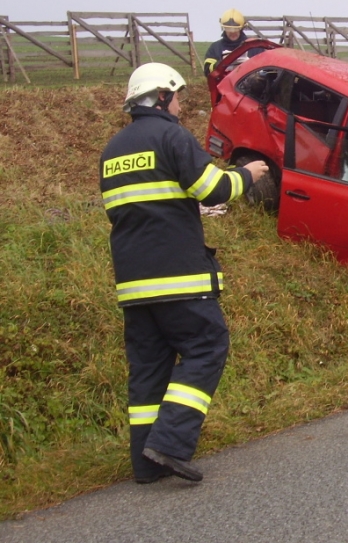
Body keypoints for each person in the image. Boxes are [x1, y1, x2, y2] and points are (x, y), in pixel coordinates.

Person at [99, 62, 269, 484]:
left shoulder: (112, 151)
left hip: (133, 284)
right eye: (176, 97)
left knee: (149, 369)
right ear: (161, 96)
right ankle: (171, 443)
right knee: (208, 345)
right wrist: (248, 174)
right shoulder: (171, 136)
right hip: (178, 277)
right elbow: (213, 190)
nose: (179, 105)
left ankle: (146, 465)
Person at [203, 8, 263, 76]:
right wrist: (221, 64)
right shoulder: (215, 48)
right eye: (228, 29)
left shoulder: (255, 48)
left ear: (242, 28)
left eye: (236, 29)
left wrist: (250, 64)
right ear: (223, 28)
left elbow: (264, 70)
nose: (232, 32)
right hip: (224, 82)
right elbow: (207, 71)